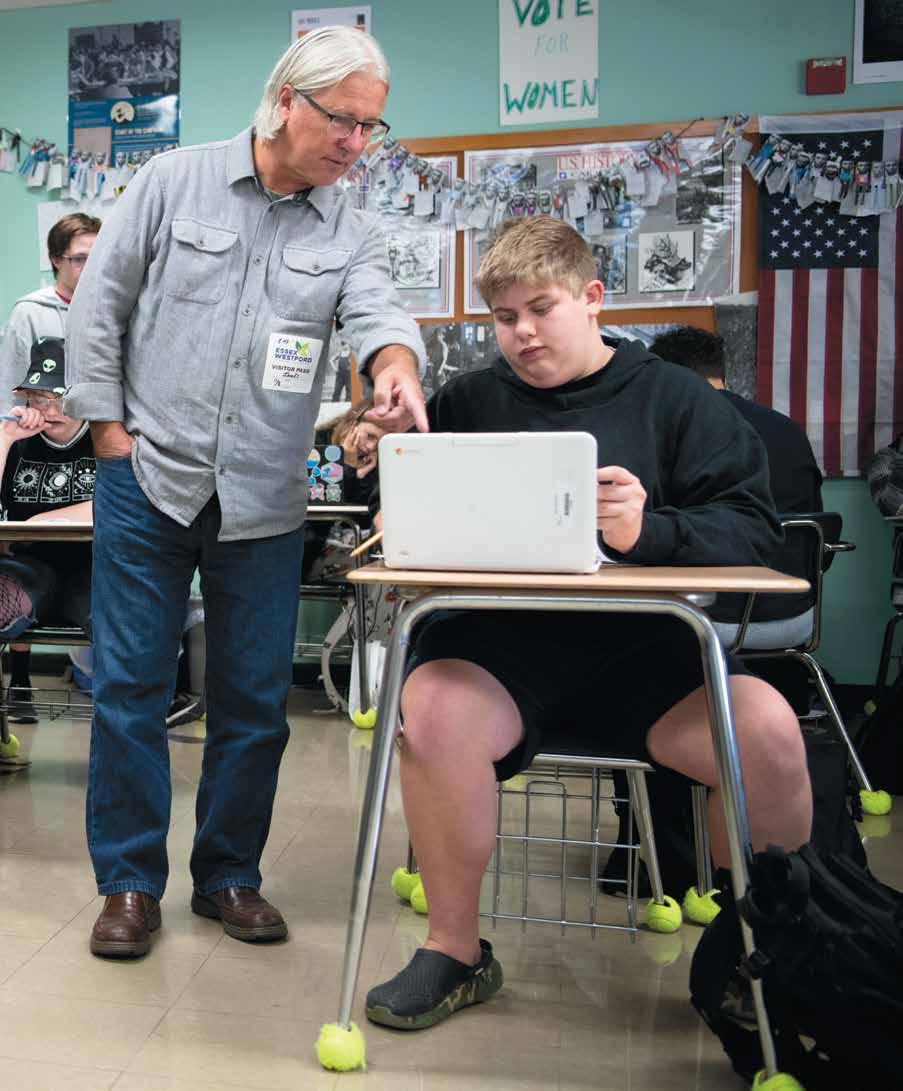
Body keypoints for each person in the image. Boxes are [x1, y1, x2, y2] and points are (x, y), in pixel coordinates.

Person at [364, 217, 811, 1031]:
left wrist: (651, 531)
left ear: (593, 297)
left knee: (769, 731)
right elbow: (393, 514)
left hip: (645, 655)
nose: (522, 333)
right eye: (505, 318)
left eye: (541, 309)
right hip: (494, 652)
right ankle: (454, 949)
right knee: (430, 709)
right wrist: (387, 473)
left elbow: (754, 528)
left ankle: (760, 951)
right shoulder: (466, 400)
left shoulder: (675, 398)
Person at [65, 25, 427, 960]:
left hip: (264, 495)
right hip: (148, 477)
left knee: (255, 699)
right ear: (285, 101)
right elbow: (99, 307)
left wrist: (394, 368)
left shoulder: (350, 227)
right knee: (131, 688)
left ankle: (228, 873)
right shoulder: (171, 181)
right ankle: (128, 882)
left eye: (370, 126)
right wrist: (107, 435)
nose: (355, 142)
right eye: (343, 120)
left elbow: (377, 312)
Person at [596, 325, 826, 902]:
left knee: (642, 667)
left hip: (705, 616)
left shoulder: (676, 428)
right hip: (794, 614)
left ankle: (649, 856)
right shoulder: (786, 431)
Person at [0, 213, 100, 723]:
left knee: (116, 610)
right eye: (80, 257)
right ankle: (16, 688)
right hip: (28, 563)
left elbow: (112, 502)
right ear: (57, 260)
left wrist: (38, 522)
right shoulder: (30, 313)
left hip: (90, 564)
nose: (46, 406)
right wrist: (7, 434)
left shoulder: (103, 439)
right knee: (13, 588)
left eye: (56, 397)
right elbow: (10, 388)